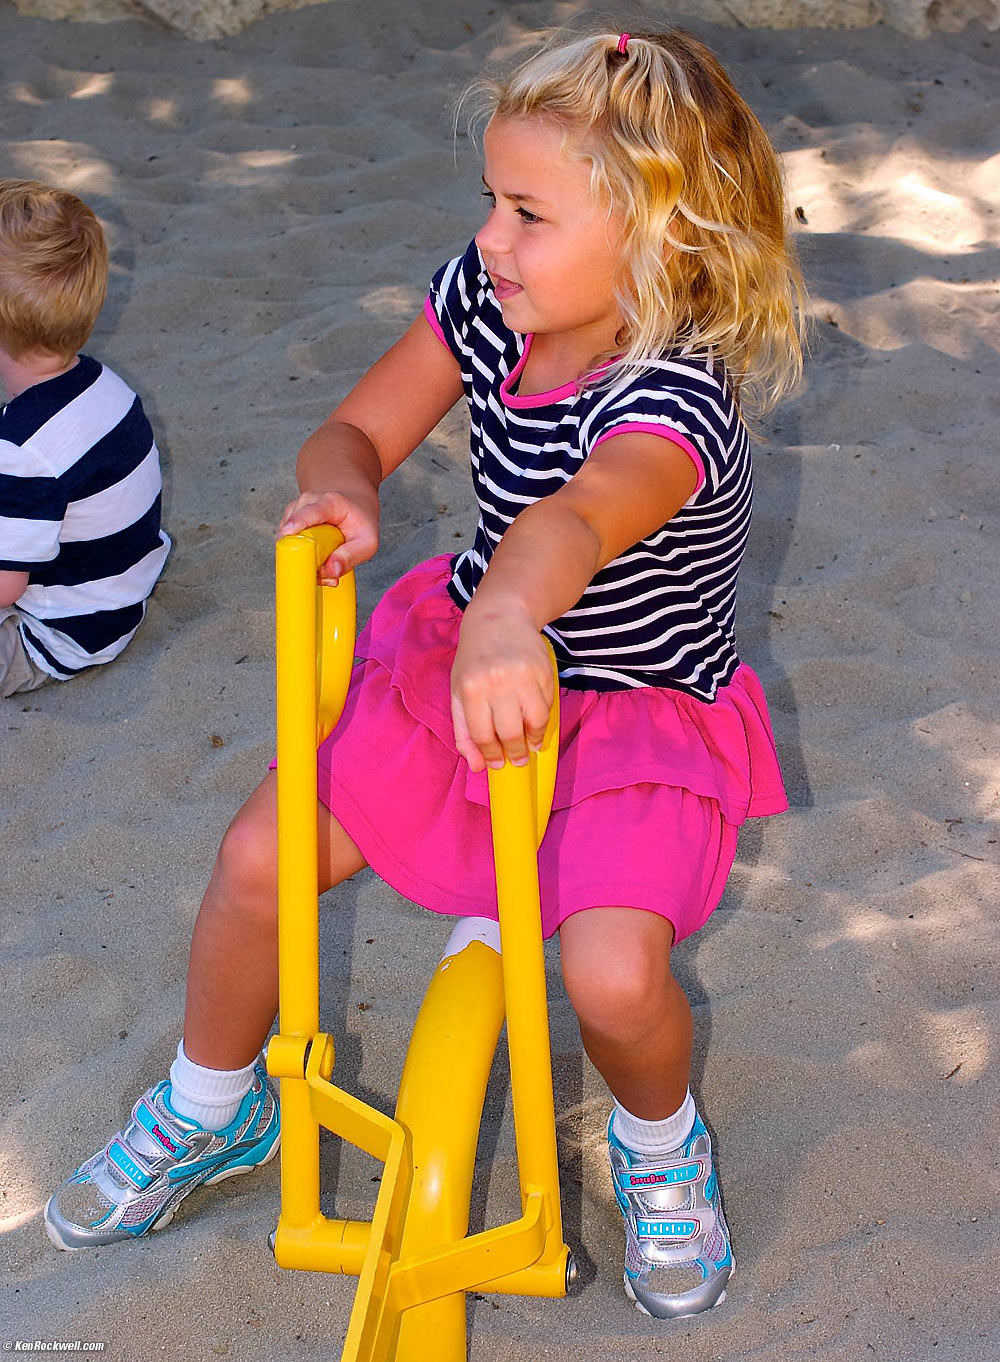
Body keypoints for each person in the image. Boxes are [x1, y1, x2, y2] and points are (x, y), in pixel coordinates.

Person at [45, 29, 804, 1321]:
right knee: (254, 861)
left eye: (528, 213)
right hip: (462, 670)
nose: (491, 238)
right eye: (490, 202)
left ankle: (664, 1141)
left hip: (629, 726)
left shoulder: (677, 402)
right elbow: (357, 421)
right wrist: (342, 479)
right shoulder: (484, 299)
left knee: (615, 977)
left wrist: (516, 603)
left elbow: (578, 516)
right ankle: (211, 1106)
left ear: (662, 247)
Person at [0, 179, 170, 698]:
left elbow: (5, 588)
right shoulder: (99, 383)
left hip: (53, 635)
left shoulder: (25, 449)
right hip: (114, 597)